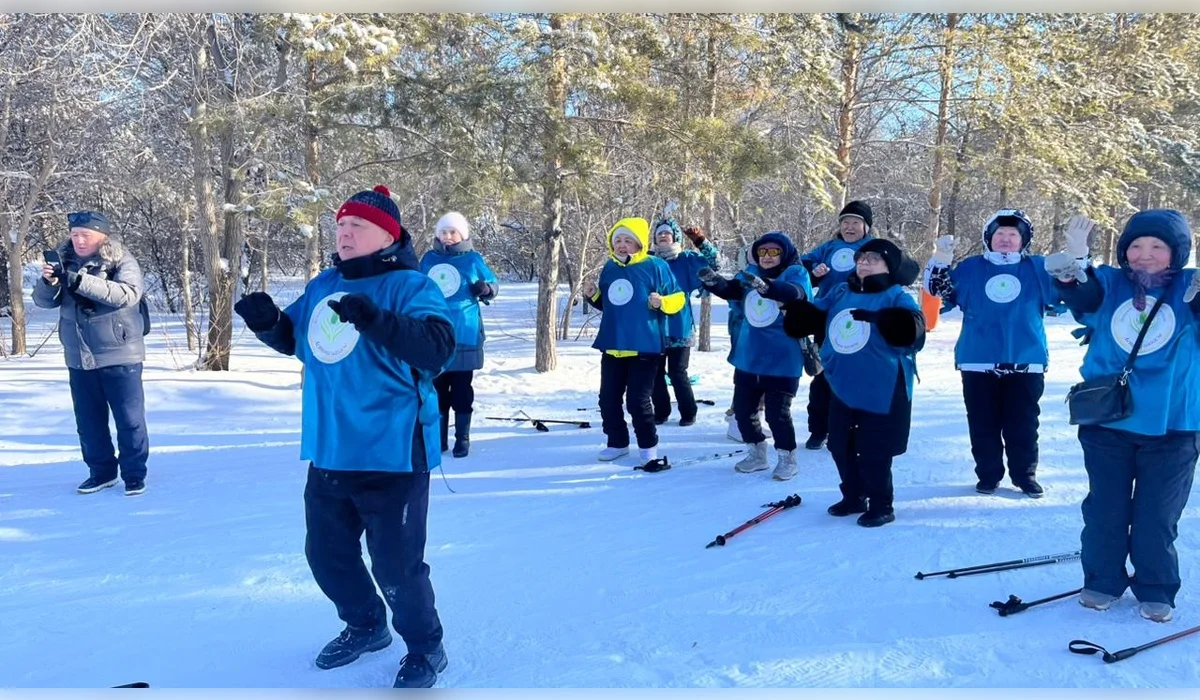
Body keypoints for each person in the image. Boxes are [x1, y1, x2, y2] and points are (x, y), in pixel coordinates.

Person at [233, 185, 454, 687]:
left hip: (393, 451)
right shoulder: (324, 283)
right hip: (330, 448)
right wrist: (269, 324)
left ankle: (425, 648)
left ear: (387, 235)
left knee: (397, 568)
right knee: (326, 555)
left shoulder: (412, 287)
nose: (345, 232)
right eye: (340, 225)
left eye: (357, 225)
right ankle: (366, 625)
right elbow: (298, 341)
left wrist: (378, 320)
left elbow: (436, 349)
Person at [1047, 209, 1200, 623]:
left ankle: (1155, 586)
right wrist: (1076, 264)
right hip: (1108, 421)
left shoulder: (1190, 284)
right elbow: (1082, 296)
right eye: (1135, 245)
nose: (1145, 254)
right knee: (1105, 510)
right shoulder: (1112, 282)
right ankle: (1102, 579)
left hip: (1173, 424)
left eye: (1156, 246)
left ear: (1176, 253)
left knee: (1156, 517)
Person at [782, 238, 924, 526]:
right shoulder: (841, 290)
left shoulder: (897, 295)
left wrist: (881, 318)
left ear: (889, 266)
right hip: (841, 382)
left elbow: (914, 331)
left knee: (875, 448)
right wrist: (795, 307)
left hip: (881, 385)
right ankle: (853, 495)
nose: (864, 262)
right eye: (861, 257)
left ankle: (882, 504)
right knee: (840, 444)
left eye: (873, 258)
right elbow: (815, 314)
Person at [923, 209, 1061, 497]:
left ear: (1024, 240)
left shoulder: (1037, 267)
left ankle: (1025, 475)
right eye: (1000, 234)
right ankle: (987, 474)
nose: (1006, 239)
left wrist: (1072, 266)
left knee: (1023, 424)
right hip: (978, 359)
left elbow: (1065, 299)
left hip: (1026, 358)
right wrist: (940, 262)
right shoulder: (973, 267)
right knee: (982, 422)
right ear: (989, 238)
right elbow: (940, 294)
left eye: (1013, 234)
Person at [33, 211, 150, 496]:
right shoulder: (65, 261)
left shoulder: (121, 260)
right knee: (88, 422)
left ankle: (134, 474)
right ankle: (101, 473)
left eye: (86, 235)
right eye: (74, 235)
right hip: (79, 356)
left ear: (102, 236)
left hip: (120, 353)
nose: (79, 240)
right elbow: (43, 302)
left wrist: (75, 280)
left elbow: (127, 294)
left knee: (129, 420)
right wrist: (50, 283)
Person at [698, 231, 813, 480]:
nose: (768, 257)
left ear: (784, 254)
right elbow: (732, 290)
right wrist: (713, 281)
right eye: (763, 251)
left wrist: (767, 287)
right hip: (750, 355)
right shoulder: (749, 273)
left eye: (774, 252)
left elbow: (795, 293)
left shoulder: (795, 272)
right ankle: (757, 453)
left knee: (776, 413)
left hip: (783, 358)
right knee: (743, 410)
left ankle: (787, 457)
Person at [583, 217, 685, 469]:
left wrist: (662, 302)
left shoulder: (656, 266)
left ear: (638, 243)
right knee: (607, 399)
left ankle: (648, 447)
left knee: (638, 402)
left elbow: (678, 299)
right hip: (613, 345)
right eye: (617, 240)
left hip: (645, 346)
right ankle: (617, 443)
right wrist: (593, 295)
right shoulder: (610, 268)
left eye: (628, 240)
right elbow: (609, 305)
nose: (622, 245)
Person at [419, 211, 499, 458]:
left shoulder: (473, 259)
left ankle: (462, 438)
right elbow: (416, 286)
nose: (448, 236)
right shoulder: (429, 259)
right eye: (444, 232)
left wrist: (485, 289)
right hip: (435, 331)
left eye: (453, 232)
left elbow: (493, 285)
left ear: (462, 234)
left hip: (465, 330)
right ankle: (439, 437)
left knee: (462, 389)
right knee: (438, 387)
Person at [798, 200, 876, 451]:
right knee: (823, 375)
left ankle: (848, 429)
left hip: (859, 320)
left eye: (855, 222)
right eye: (845, 222)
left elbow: (891, 275)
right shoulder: (829, 247)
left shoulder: (873, 249)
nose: (850, 227)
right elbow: (800, 267)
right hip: (826, 317)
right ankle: (818, 429)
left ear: (866, 227)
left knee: (854, 375)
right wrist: (814, 271)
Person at [647, 218, 718, 426]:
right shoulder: (649, 261)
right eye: (659, 233)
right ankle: (661, 412)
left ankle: (689, 412)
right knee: (655, 373)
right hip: (654, 328)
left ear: (675, 237)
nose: (662, 236)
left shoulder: (686, 260)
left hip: (680, 327)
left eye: (667, 233)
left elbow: (715, 264)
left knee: (678, 373)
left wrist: (701, 241)